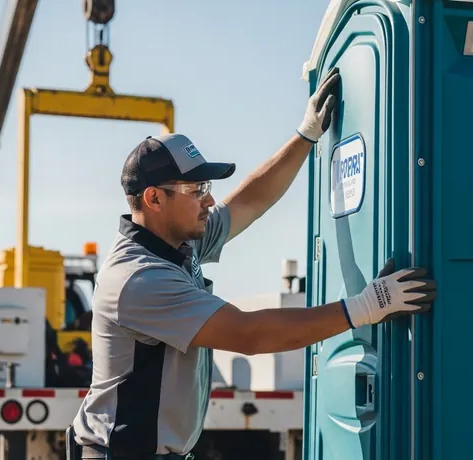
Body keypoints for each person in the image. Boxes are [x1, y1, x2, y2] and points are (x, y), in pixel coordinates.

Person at [70, 67, 437, 459]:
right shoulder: (139, 278)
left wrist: (306, 135)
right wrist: (366, 307)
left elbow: (248, 202)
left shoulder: (177, 242)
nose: (209, 200)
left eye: (207, 187)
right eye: (196, 189)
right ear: (154, 199)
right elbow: (249, 334)